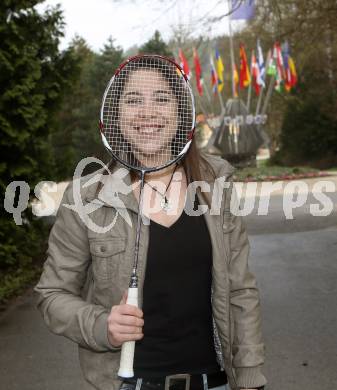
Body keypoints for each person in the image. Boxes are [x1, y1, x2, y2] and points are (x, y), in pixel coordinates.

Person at [35, 56, 267, 390]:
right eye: (133, 100)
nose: (147, 112)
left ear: (180, 112)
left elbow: (241, 292)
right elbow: (52, 294)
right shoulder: (85, 198)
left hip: (212, 383)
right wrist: (103, 325)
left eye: (161, 98)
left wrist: (250, 378)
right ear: (116, 116)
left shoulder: (215, 183)